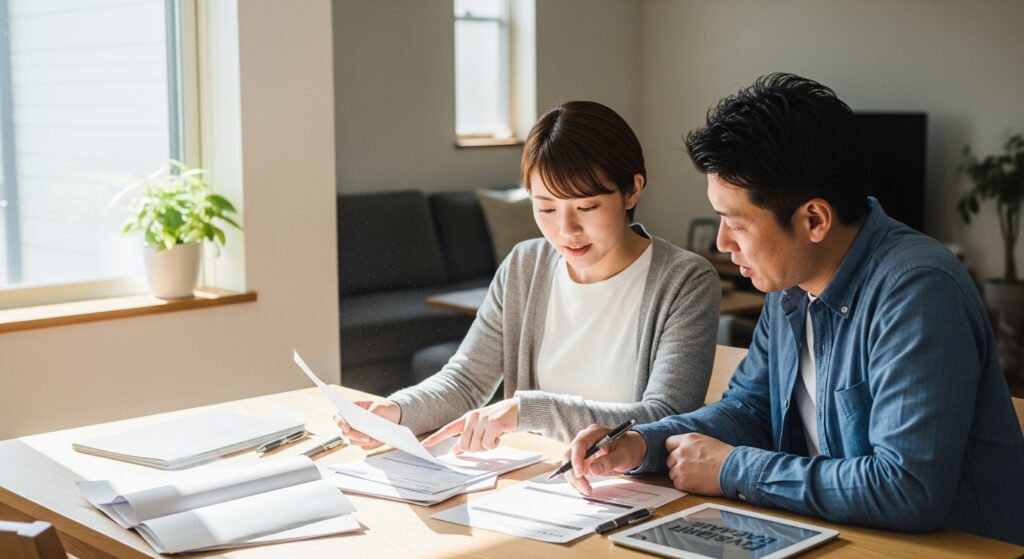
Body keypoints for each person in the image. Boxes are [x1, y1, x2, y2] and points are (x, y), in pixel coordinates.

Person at [562, 74, 1024, 545]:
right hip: (841, 536)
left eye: (735, 223)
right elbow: (749, 410)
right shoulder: (791, 287)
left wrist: (732, 469)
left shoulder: (918, 290)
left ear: (814, 220)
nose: (721, 242)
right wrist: (641, 443)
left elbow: (906, 489)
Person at [337, 100, 721, 452]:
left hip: (631, 491)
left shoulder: (684, 281)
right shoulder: (525, 266)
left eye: (586, 207)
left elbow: (666, 417)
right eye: (546, 209)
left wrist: (527, 411)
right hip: (534, 483)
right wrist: (395, 411)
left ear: (632, 191)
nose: (566, 230)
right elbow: (467, 380)